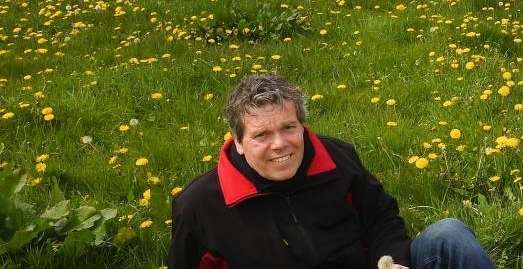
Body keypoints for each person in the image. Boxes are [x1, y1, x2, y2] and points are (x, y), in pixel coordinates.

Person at [169, 74, 496, 269]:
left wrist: (392, 258)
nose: (280, 144)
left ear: (303, 124)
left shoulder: (336, 157)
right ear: (237, 141)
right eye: (261, 135)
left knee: (448, 235)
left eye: (289, 127)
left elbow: (381, 216)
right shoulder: (199, 205)